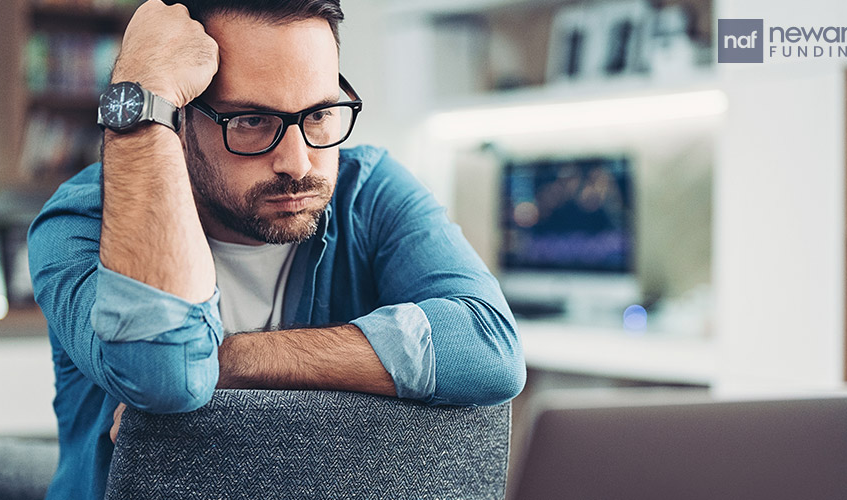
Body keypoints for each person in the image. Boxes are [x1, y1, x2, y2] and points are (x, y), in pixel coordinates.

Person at [27, 0, 525, 498]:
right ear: (179, 122)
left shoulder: (367, 190)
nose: (298, 161)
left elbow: (489, 347)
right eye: (250, 121)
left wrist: (228, 358)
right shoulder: (81, 222)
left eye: (321, 113)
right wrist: (140, 96)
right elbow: (167, 374)